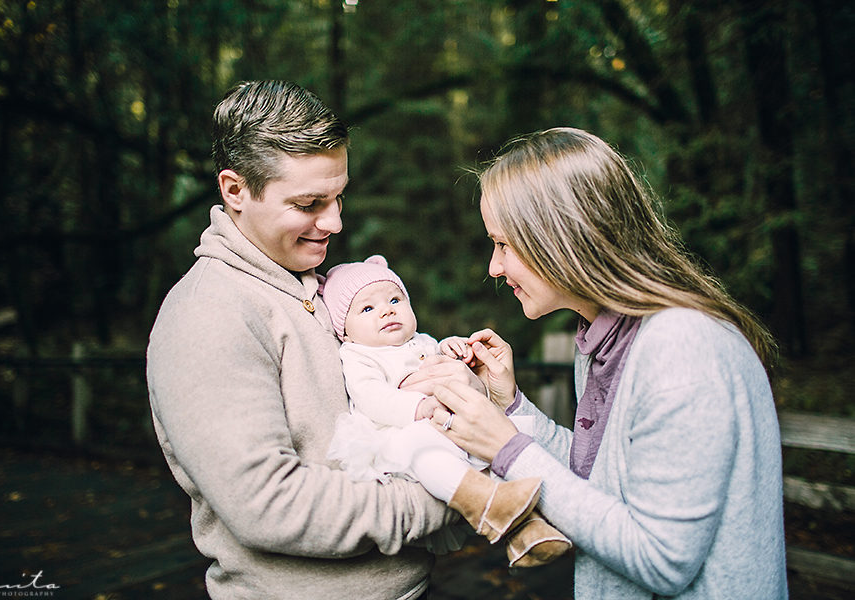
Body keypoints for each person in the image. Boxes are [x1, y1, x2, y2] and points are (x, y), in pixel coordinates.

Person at [146, 80, 480, 600]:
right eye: (308, 204)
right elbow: (269, 505)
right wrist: (459, 494)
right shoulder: (209, 314)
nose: (334, 222)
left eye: (338, 197)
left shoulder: (322, 288)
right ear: (234, 191)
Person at [422, 127, 788, 599]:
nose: (494, 267)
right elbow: (603, 481)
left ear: (562, 236)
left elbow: (663, 559)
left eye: (504, 244)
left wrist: (508, 449)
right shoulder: (605, 339)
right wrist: (511, 408)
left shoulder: (682, 347)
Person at [320, 255, 571, 567]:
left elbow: (435, 351)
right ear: (345, 330)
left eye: (395, 299)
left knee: (491, 450)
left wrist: (451, 347)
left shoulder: (419, 340)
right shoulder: (358, 354)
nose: (387, 310)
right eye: (367, 309)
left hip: (449, 427)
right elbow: (371, 397)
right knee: (428, 457)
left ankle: (526, 528)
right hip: (399, 436)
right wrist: (417, 406)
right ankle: (487, 506)